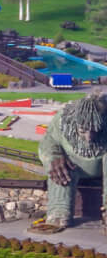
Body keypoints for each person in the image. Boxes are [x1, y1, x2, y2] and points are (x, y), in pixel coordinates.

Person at [35, 93, 107, 232]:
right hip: (74, 165)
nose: (89, 138)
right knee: (60, 168)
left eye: (95, 131)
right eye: (83, 131)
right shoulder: (62, 120)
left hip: (102, 165)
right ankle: (59, 212)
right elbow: (48, 142)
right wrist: (53, 156)